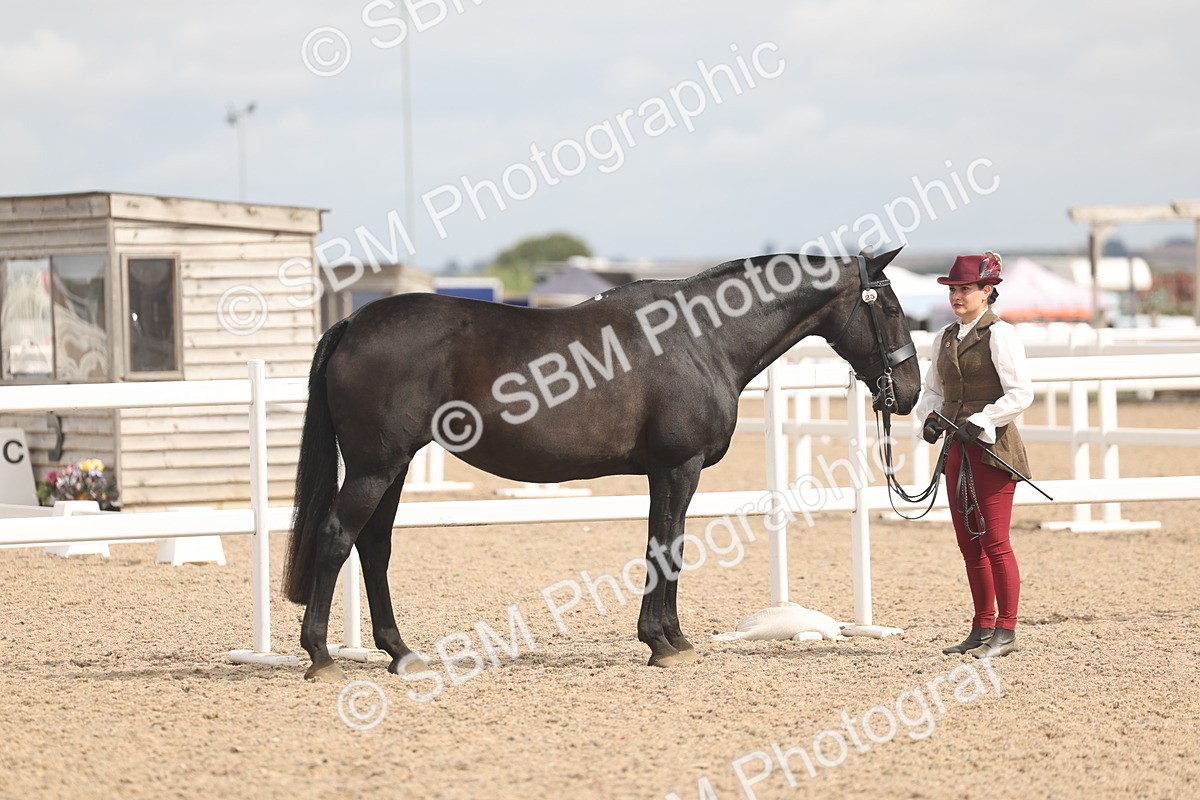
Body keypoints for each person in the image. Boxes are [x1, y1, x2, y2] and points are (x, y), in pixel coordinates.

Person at [914, 251, 1033, 659]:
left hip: (991, 451)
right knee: (970, 544)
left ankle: (1007, 629)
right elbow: (933, 390)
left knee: (996, 541)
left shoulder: (1000, 335)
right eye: (954, 289)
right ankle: (982, 626)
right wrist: (930, 417)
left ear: (987, 291)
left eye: (966, 289)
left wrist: (983, 419)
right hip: (955, 450)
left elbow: (1020, 394)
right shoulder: (944, 337)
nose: (958, 297)